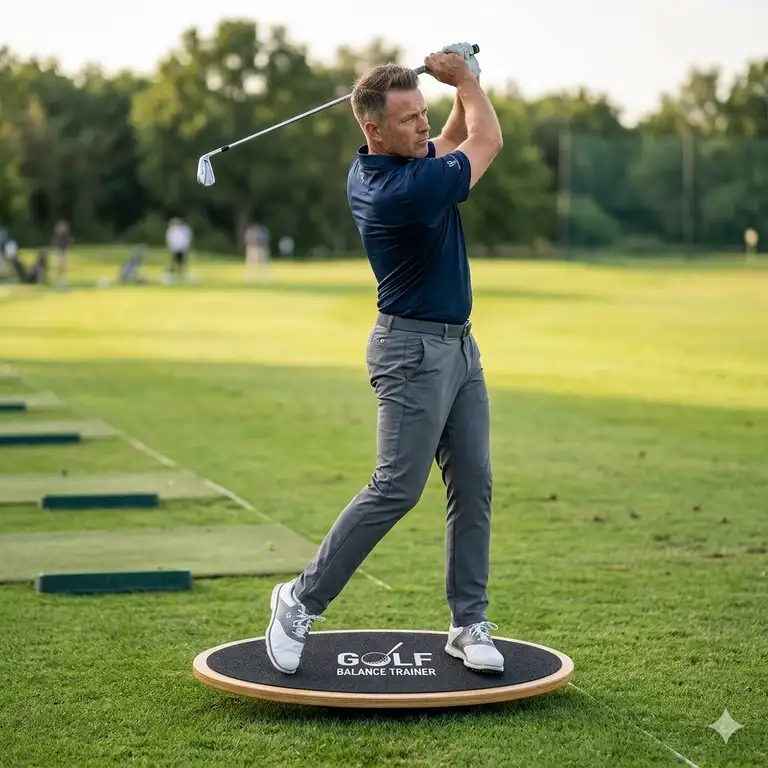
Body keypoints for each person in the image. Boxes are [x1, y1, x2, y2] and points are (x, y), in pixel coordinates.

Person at [265, 44, 505, 676]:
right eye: (408, 119)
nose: (423, 126)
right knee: (397, 486)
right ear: (372, 129)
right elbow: (484, 142)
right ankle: (298, 599)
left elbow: (450, 139)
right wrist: (469, 82)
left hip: (458, 347)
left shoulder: (396, 163)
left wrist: (454, 93)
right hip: (411, 351)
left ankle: (467, 621)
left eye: (423, 113)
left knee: (474, 482)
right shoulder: (401, 191)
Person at [51, 220, 70, 286]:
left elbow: (66, 244)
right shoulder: (58, 235)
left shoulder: (64, 235)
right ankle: (58, 280)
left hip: (63, 252)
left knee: (63, 267)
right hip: (60, 252)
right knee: (60, 266)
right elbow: (56, 244)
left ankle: (61, 279)